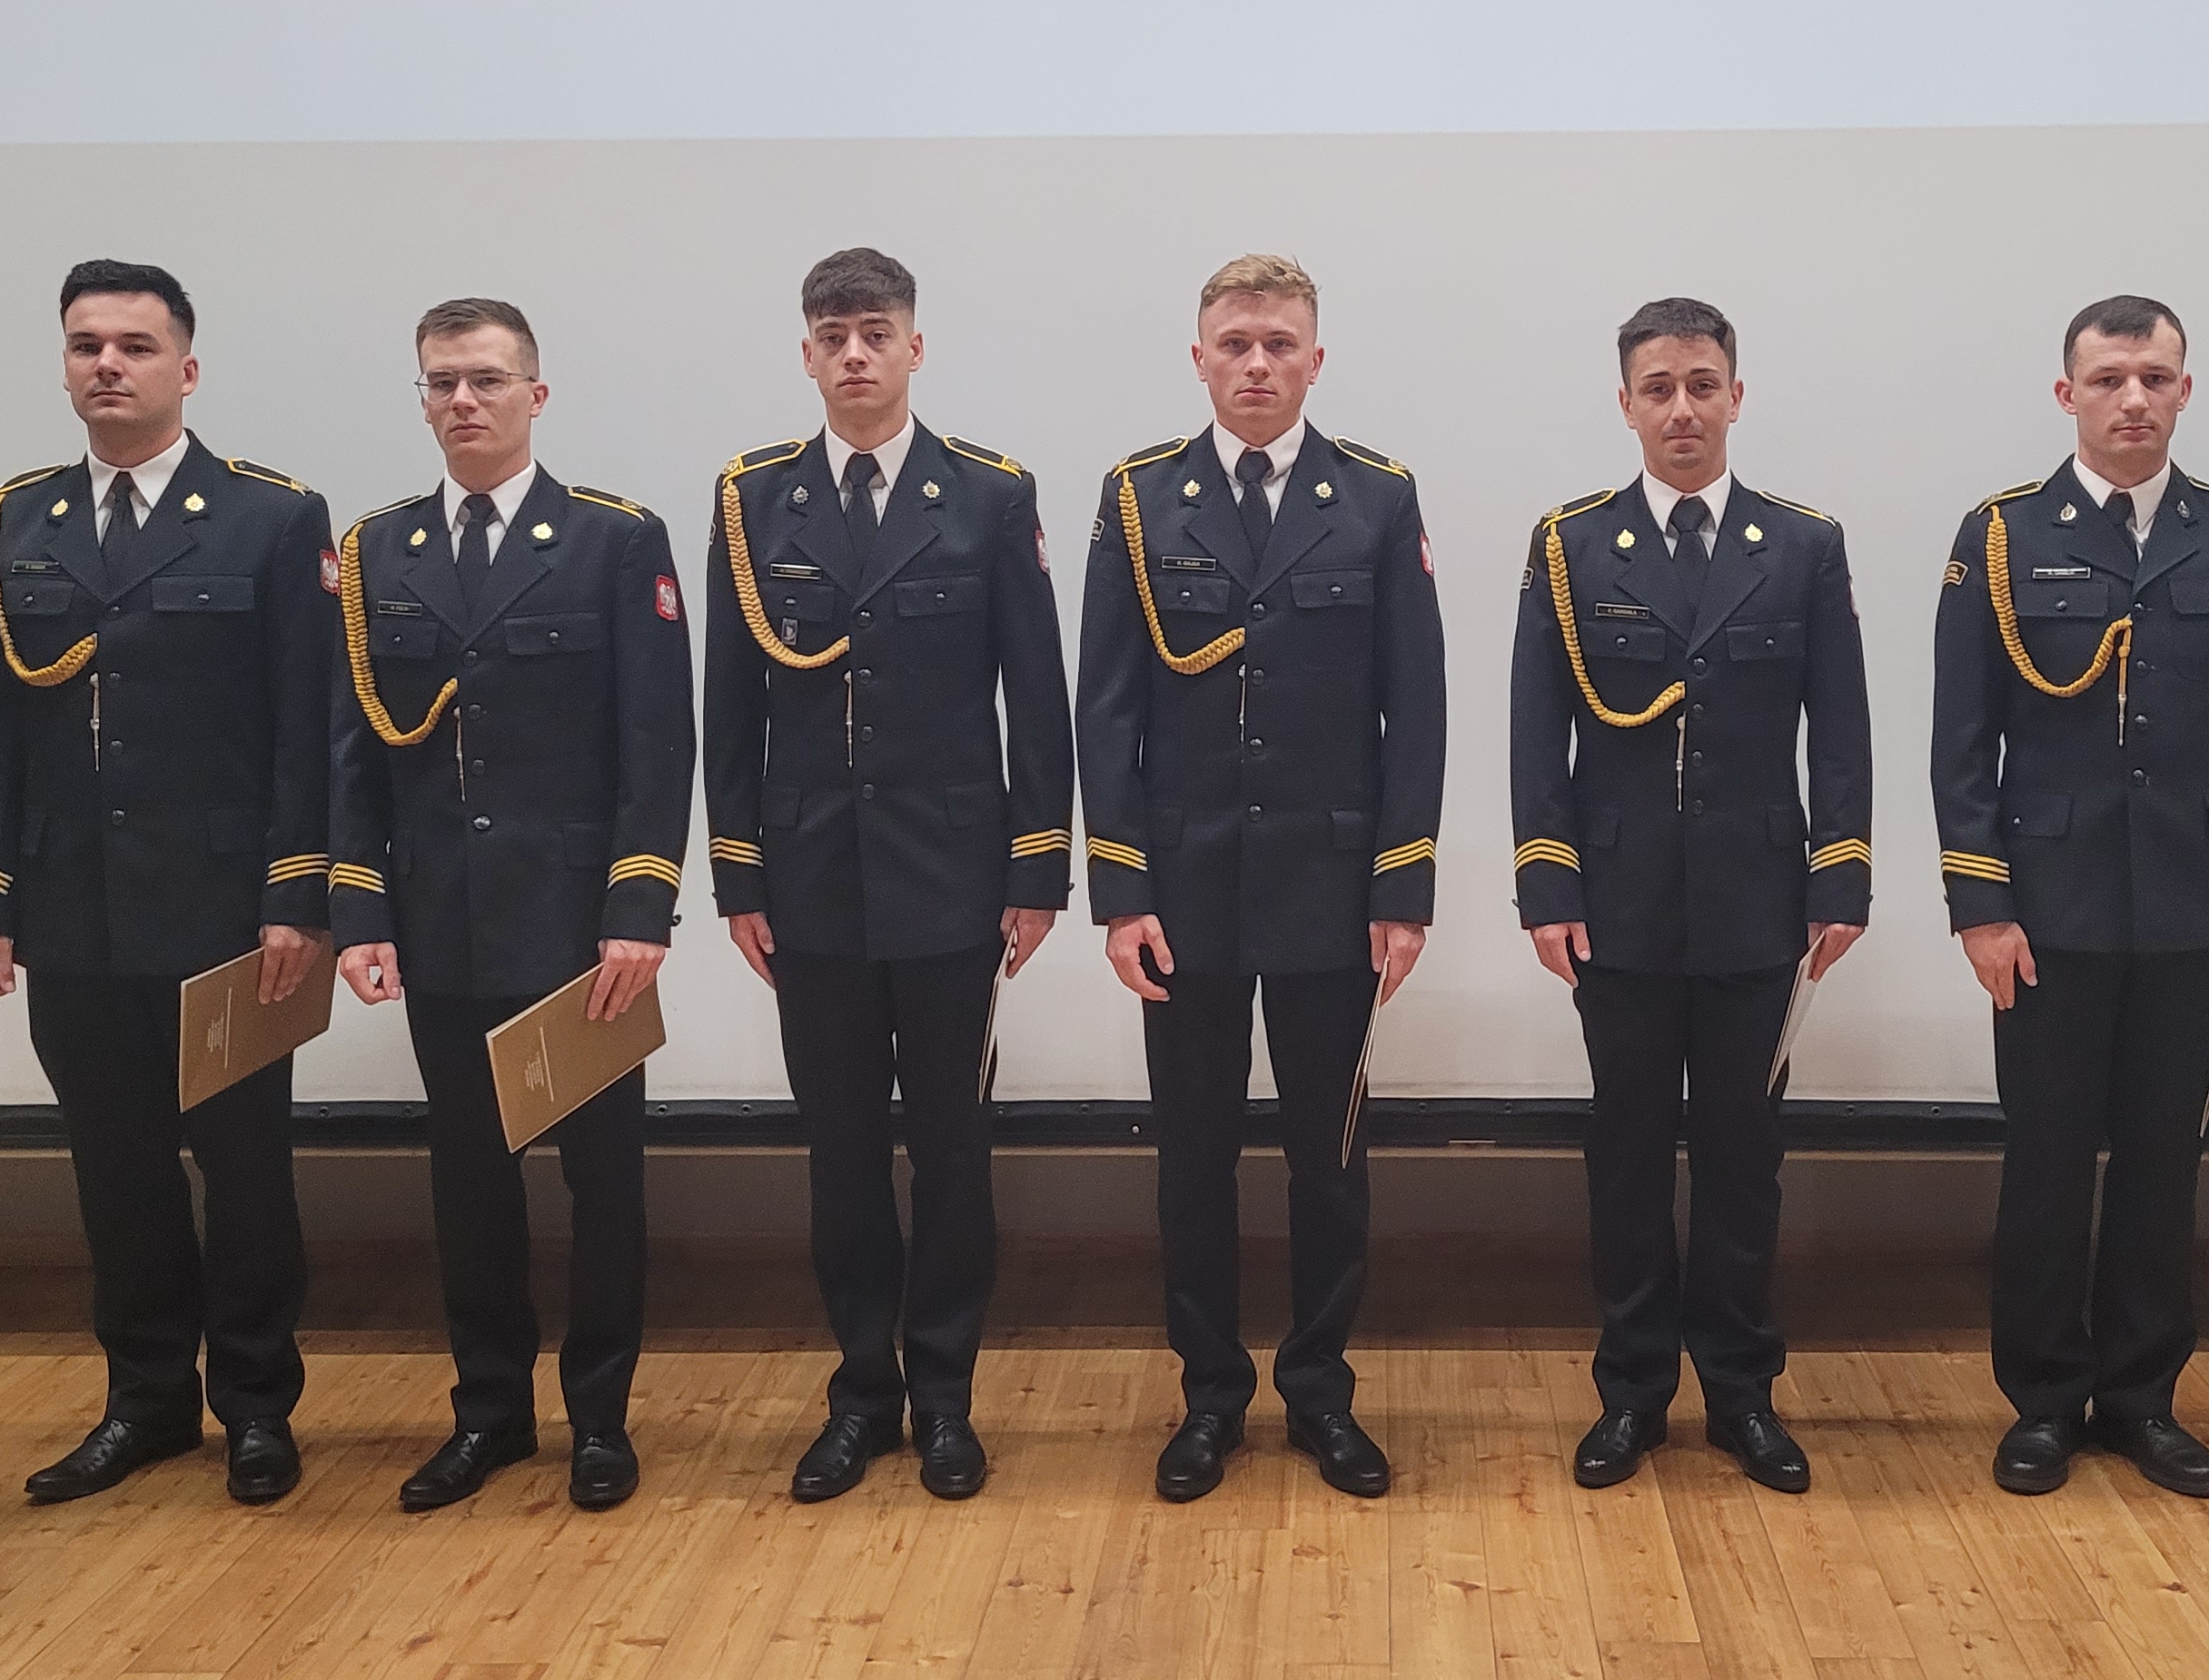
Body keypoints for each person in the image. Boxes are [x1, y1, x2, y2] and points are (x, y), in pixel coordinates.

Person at [0, 261, 335, 1510]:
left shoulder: (272, 517)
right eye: (86, 345)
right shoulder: (17, 522)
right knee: (115, 1170)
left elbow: (308, 726)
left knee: (247, 1170)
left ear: (188, 368)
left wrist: (297, 894)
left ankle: (259, 1405)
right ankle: (146, 1399)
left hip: (227, 913)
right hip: (74, 910)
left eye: (134, 345)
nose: (107, 365)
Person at [705, 248, 1074, 1507]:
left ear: (917, 347)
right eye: (832, 335)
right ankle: (862, 1393)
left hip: (953, 879)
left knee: (955, 1153)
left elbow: (1036, 694)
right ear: (806, 355)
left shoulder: (987, 495)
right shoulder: (754, 501)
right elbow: (729, 703)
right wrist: (739, 875)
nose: (854, 353)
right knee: (844, 1156)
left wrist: (1038, 865)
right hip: (812, 882)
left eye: (875, 332)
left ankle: (947, 1395)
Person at [1079, 254, 1443, 1502]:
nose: (1255, 364)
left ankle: (1322, 1392)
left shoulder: (1377, 499)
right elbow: (1106, 709)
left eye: (1279, 344)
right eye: (1234, 343)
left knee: (1328, 1161)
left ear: (1315, 361)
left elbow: (1416, 708)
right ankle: (1209, 1397)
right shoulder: (1140, 500)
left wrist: (1402, 890)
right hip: (1184, 893)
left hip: (1330, 889)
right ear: (1199, 360)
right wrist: (1121, 892)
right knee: (1192, 1160)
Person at [1929, 297, 2209, 1500]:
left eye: (2155, 376)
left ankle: (2143, 1397)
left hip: (2197, 901)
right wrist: (1981, 905)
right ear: (2068, 395)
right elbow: (1962, 739)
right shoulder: (2000, 536)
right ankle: (2044, 1400)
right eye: (2108, 379)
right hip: (2048, 908)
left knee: (2161, 1163)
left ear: (2186, 389)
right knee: (2045, 1161)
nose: (2133, 398)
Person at [330, 297, 692, 1514]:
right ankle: (488, 1411)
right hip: (444, 920)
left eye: (486, 379)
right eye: (440, 382)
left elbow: (656, 742)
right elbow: (353, 751)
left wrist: (639, 908)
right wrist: (362, 910)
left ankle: (600, 1418)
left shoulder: (610, 541)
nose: (462, 401)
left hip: (578, 929)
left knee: (605, 1185)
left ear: (536, 396)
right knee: (469, 1182)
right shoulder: (377, 553)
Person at [1510, 297, 1869, 1494]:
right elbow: (1536, 730)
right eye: (1658, 388)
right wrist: (1546, 879)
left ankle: (1742, 1392)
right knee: (1623, 1154)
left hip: (1758, 905)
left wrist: (1842, 872)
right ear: (1625, 405)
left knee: (1741, 1158)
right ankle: (1631, 1392)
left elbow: (1842, 723)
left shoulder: (1801, 546)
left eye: (1702, 385)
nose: (1682, 409)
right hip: (1614, 905)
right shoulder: (1571, 545)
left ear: (1736, 397)